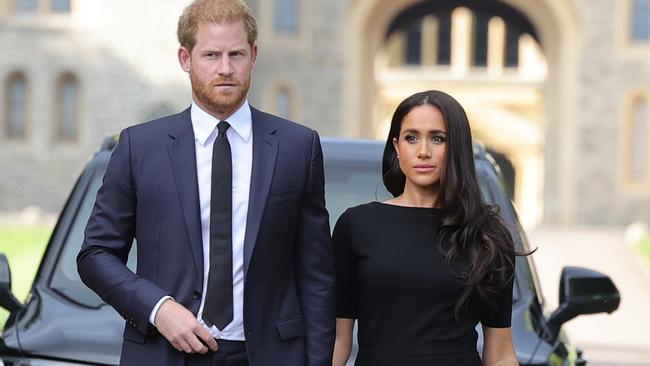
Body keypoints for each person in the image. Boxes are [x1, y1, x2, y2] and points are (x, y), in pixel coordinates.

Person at [77, 1, 335, 365]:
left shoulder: (298, 147)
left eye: (236, 54)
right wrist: (158, 308)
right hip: (164, 352)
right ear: (186, 58)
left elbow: (316, 275)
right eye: (211, 55)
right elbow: (96, 255)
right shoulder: (139, 147)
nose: (226, 69)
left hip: (267, 354)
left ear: (254, 56)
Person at [332, 90, 519, 366]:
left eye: (437, 138)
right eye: (411, 137)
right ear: (396, 147)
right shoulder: (356, 226)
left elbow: (501, 352)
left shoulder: (487, 234)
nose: (423, 151)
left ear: (456, 147)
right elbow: (338, 339)